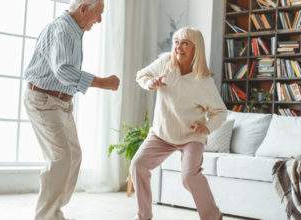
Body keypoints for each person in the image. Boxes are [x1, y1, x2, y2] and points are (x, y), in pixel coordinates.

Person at [23, 0, 119, 219]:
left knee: (73, 155)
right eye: (98, 13)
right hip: (43, 100)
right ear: (83, 8)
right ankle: (47, 215)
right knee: (60, 158)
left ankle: (54, 208)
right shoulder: (63, 29)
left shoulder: (74, 29)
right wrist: (103, 82)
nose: (100, 19)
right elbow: (64, 71)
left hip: (61, 102)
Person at [131, 27, 227, 220]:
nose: (178, 47)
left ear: (195, 48)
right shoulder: (165, 62)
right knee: (138, 165)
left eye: (185, 43)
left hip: (191, 136)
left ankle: (213, 217)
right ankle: (144, 217)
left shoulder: (203, 81)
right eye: (176, 42)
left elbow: (220, 112)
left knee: (189, 177)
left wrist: (206, 127)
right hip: (162, 133)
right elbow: (141, 75)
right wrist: (150, 83)